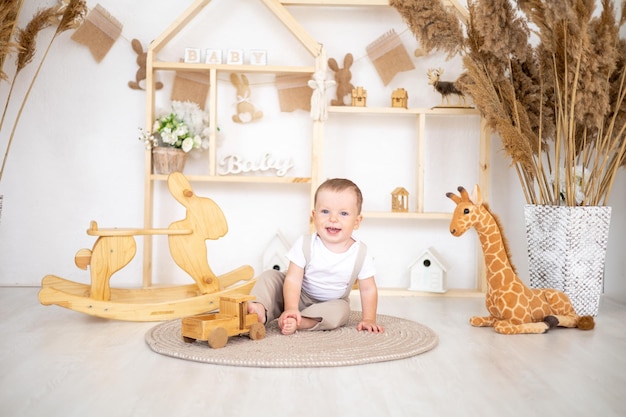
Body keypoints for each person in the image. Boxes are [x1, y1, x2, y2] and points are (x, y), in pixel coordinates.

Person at [248, 178, 384, 335]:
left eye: (344, 213)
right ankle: (260, 309)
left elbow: (368, 289)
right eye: (325, 211)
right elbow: (293, 279)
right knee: (270, 276)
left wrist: (369, 319)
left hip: (329, 304)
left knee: (342, 309)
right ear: (314, 216)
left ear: (357, 221)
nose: (333, 219)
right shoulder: (305, 244)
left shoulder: (360, 253)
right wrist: (291, 308)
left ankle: (303, 321)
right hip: (295, 294)